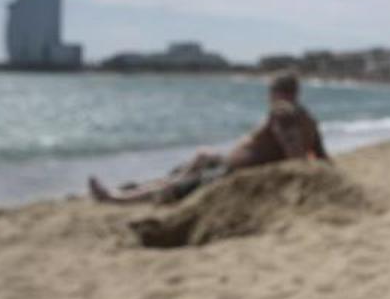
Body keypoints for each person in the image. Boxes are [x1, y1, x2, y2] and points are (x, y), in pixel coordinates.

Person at [89, 72, 328, 204]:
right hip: (229, 165)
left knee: (177, 185)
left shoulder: (282, 111)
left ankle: (117, 199)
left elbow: (294, 153)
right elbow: (322, 158)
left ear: (277, 92)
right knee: (199, 158)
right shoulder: (310, 119)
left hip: (232, 174)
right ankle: (134, 188)